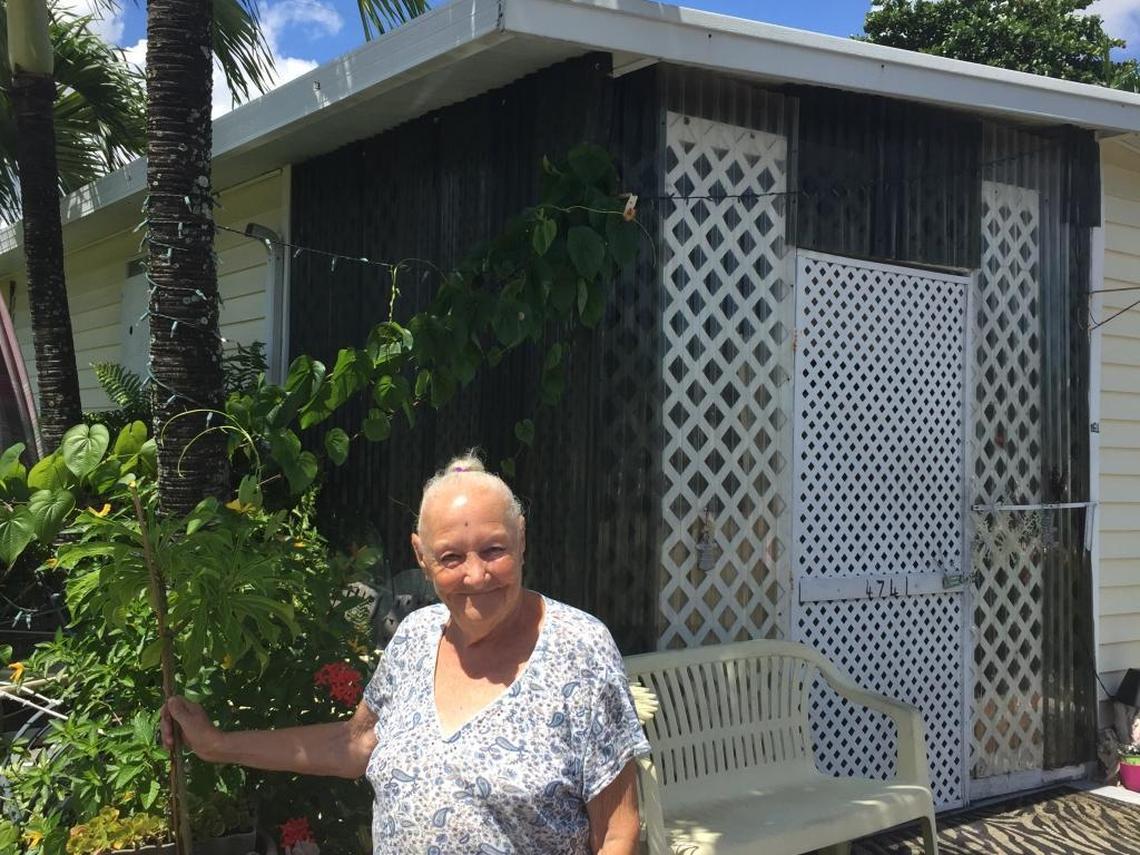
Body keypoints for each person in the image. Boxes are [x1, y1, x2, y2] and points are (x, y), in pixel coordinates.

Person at [162, 453, 650, 854]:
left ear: (521, 539)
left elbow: (618, 830)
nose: (475, 574)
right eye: (452, 557)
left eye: (494, 549)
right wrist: (216, 745)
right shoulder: (416, 637)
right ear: (422, 556)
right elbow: (355, 744)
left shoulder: (579, 648)